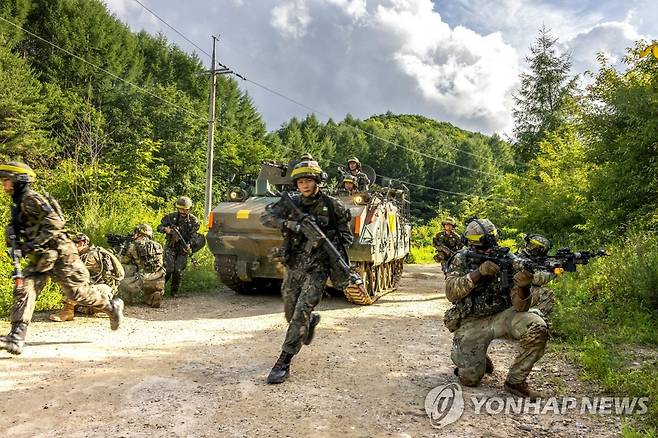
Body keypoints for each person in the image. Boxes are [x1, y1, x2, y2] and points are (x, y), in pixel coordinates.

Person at [0, 162, 123, 355]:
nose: (4, 185)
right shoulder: (18, 205)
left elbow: (56, 222)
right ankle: (16, 337)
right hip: (41, 257)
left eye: (7, 181)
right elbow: (18, 230)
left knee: (77, 294)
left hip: (61, 254)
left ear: (18, 181)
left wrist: (33, 243)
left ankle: (110, 306)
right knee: (25, 288)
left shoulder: (31, 198)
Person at [261, 160, 354, 384]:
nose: (304, 185)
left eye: (308, 181)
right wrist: (293, 225)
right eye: (300, 181)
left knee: (301, 310)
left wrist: (323, 238)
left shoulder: (333, 206)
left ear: (317, 181)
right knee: (290, 312)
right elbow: (266, 217)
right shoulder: (291, 203)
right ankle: (309, 323)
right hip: (294, 264)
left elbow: (347, 238)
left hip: (318, 266)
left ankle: (284, 361)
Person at [443, 218, 548, 399]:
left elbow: (521, 306)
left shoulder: (509, 260)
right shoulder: (462, 258)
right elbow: (451, 293)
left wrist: (523, 286)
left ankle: (516, 381)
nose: (487, 250)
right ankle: (478, 359)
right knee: (469, 379)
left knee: (537, 326)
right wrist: (478, 273)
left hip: (503, 317)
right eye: (482, 247)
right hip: (472, 321)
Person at [49, 233, 125, 322]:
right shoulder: (84, 254)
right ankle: (105, 308)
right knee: (81, 304)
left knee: (74, 284)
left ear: (82, 243)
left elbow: (71, 271)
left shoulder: (90, 256)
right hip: (97, 288)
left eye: (73, 244)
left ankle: (67, 312)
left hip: (103, 289)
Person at [157, 196, 205, 297]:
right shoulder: (171, 217)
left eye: (185, 209)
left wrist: (189, 245)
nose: (182, 211)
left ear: (189, 209)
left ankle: (174, 292)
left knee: (178, 270)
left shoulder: (193, 221)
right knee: (168, 269)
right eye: (180, 209)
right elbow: (159, 227)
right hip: (171, 246)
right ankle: (159, 290)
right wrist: (166, 229)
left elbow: (194, 235)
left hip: (183, 249)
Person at [118, 224, 166, 308]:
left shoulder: (133, 246)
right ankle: (154, 295)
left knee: (124, 270)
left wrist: (121, 251)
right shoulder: (158, 245)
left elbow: (123, 261)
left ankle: (127, 300)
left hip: (143, 280)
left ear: (139, 233)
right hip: (159, 280)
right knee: (150, 292)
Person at [518, 234, 558, 319]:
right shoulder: (521, 259)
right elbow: (536, 279)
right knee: (547, 294)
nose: (530, 247)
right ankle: (538, 320)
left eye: (534, 245)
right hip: (515, 293)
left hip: (519, 291)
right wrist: (555, 272)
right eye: (530, 244)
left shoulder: (534, 259)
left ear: (541, 249)